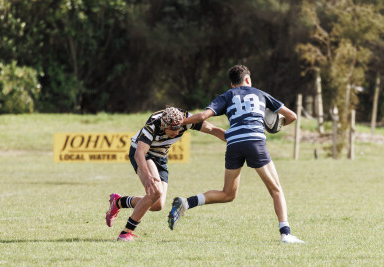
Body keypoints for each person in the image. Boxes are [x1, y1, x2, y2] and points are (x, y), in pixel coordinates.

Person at [167, 65, 304, 244]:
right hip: (255, 142)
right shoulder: (260, 94)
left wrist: (181, 122)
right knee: (276, 189)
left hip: (233, 144)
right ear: (248, 80)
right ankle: (285, 234)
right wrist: (274, 126)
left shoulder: (227, 96)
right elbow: (292, 116)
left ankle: (186, 203)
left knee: (228, 194)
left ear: (232, 84)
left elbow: (202, 117)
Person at [106, 107, 226, 241]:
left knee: (157, 205)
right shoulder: (153, 126)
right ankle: (125, 233)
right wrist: (148, 176)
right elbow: (139, 153)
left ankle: (119, 202)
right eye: (172, 129)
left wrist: (235, 141)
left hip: (160, 157)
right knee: (155, 192)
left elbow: (213, 129)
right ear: (164, 126)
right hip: (143, 155)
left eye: (178, 129)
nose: (176, 132)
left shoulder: (184, 120)